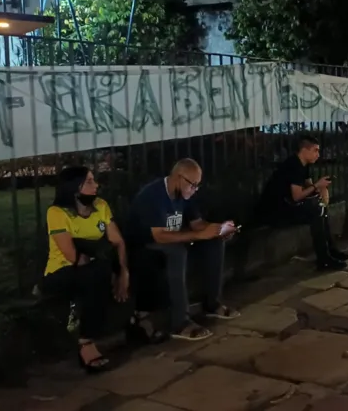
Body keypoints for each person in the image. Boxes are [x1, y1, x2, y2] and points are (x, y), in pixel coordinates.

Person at [126, 159, 239, 342]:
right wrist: (199, 235)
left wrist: (218, 229)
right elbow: (159, 236)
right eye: (193, 185)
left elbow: (197, 224)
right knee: (177, 252)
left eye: (197, 186)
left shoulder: (185, 194)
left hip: (172, 242)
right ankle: (180, 322)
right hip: (145, 248)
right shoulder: (153, 195)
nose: (194, 190)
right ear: (179, 178)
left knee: (214, 243)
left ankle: (212, 303)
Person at [41, 166, 129, 373]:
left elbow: (118, 241)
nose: (96, 185)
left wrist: (124, 272)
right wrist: (104, 258)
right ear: (73, 188)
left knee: (103, 270)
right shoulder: (57, 213)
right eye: (89, 181)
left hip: (93, 267)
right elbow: (73, 257)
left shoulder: (101, 206)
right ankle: (86, 342)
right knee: (98, 272)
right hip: (61, 272)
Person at [261, 134, 348, 270]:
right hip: (276, 212)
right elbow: (297, 196)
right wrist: (317, 186)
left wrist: (321, 189)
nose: (318, 154)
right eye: (315, 150)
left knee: (320, 208)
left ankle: (330, 251)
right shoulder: (293, 165)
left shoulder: (304, 164)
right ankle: (324, 259)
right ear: (304, 150)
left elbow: (309, 188)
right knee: (316, 212)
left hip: (288, 205)